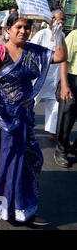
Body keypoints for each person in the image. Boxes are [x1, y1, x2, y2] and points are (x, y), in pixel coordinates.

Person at [0, 11, 67, 225]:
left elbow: (60, 57)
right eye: (18, 27)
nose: (23, 31)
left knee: (28, 160)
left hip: (23, 117)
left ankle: (15, 202)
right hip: (0, 117)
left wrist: (59, 36)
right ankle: (9, 206)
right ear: (7, 29)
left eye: (27, 27)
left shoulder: (34, 52)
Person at [31, 10, 66, 137]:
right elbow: (31, 51)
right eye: (59, 19)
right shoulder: (42, 34)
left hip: (54, 77)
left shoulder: (62, 35)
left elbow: (63, 56)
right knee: (32, 101)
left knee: (54, 103)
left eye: (63, 20)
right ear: (52, 19)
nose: (61, 22)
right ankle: (23, 124)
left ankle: (52, 131)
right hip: (40, 76)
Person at [54, 29, 77, 168]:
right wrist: (64, 85)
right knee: (66, 118)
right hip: (73, 81)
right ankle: (61, 151)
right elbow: (64, 61)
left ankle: (74, 147)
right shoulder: (74, 35)